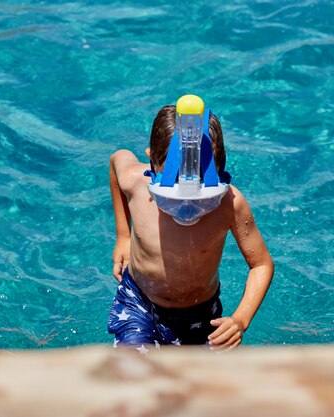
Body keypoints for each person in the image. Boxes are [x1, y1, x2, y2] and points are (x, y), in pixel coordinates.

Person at [108, 100, 273, 353]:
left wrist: (240, 319)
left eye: (204, 192)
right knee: (135, 376)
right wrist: (122, 236)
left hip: (200, 313)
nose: (188, 205)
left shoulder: (229, 203)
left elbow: (261, 264)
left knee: (200, 385)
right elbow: (117, 159)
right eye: (173, 190)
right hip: (139, 302)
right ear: (152, 161)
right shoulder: (136, 183)